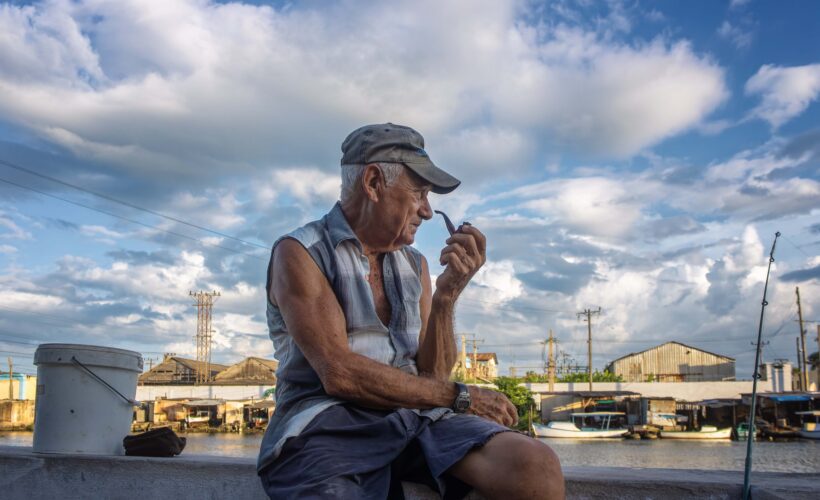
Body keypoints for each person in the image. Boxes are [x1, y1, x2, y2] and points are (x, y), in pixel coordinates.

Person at [257, 123, 564, 499]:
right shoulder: (300, 253)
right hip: (326, 424)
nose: (428, 211)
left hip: (414, 417)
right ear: (372, 183)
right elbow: (340, 374)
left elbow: (432, 375)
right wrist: (461, 396)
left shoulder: (415, 265)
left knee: (536, 467)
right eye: (419, 193)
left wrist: (447, 296)